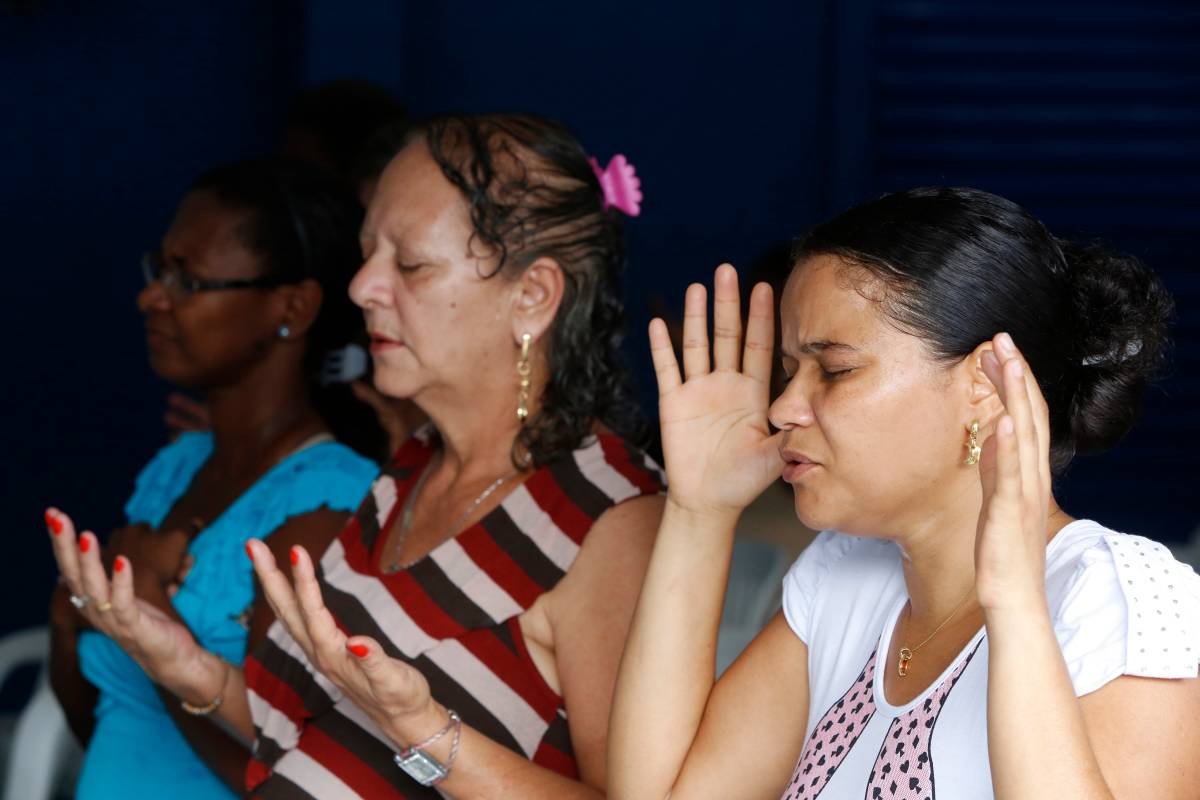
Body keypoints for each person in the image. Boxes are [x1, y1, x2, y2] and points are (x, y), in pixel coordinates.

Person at [49, 113, 666, 799]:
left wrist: (426, 731)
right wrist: (185, 665)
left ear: (532, 296)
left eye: (409, 264)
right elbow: (318, 743)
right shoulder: (415, 467)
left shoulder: (608, 518)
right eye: (368, 253)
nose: (362, 287)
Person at [608, 187, 1200, 799]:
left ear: (986, 385)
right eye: (790, 372)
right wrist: (698, 510)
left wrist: (1015, 606)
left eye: (833, 370)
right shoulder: (844, 576)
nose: (782, 407)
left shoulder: (1120, 600)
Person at [46, 158, 385, 799]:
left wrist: (149, 611)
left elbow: (290, 780)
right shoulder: (177, 466)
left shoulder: (329, 506)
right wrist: (69, 623)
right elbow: (112, 726)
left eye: (189, 280)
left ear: (293, 306)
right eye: (160, 269)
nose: (153, 296)